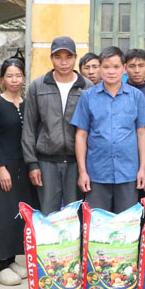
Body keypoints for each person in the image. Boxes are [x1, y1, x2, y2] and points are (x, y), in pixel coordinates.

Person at [71, 47, 145, 212]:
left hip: (128, 172)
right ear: (100, 68)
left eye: (116, 67)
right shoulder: (88, 97)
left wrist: (142, 169)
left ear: (124, 68)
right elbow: (81, 135)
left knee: (126, 222)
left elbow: (142, 133)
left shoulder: (136, 96)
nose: (111, 71)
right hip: (97, 173)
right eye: (106, 67)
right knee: (98, 223)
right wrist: (82, 172)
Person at [22, 36, 91, 215]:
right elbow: (29, 127)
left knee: (75, 215)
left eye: (68, 57)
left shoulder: (87, 87)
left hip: (77, 163)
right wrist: (32, 163)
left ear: (75, 58)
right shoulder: (38, 86)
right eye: (58, 57)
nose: (64, 62)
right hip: (46, 162)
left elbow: (92, 128)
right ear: (51, 58)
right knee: (48, 214)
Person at [0, 58, 39, 286]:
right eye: (9, 76)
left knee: (21, 214)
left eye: (18, 75)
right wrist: (0, 168)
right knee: (3, 214)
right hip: (5, 167)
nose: (14, 80)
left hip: (25, 165)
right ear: (2, 79)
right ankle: (1, 264)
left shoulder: (27, 103)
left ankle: (12, 260)